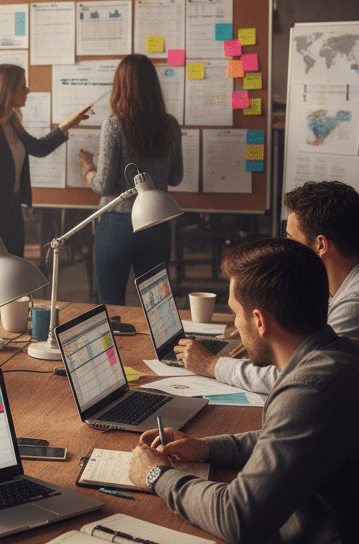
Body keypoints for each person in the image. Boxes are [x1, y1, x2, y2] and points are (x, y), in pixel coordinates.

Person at [129, 237, 359, 543]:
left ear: (260, 321)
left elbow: (236, 517)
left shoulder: (307, 392)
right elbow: (284, 441)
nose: (236, 327)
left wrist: (157, 475)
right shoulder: (341, 353)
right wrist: (206, 447)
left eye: (236, 312)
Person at [177, 180, 359, 393]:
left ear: (321, 245)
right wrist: (271, 338)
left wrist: (211, 365)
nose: (285, 245)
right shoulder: (339, 286)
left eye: (291, 239)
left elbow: (296, 377)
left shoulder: (352, 305)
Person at [77, 54, 183, 305]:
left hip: (117, 224)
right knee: (158, 306)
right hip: (157, 223)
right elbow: (176, 177)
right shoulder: (170, 125)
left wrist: (88, 170)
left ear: (120, 86)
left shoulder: (114, 126)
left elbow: (103, 184)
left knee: (111, 305)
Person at [0, 64, 90, 256]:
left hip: (12, 212)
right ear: (8, 91)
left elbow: (39, 148)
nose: (28, 90)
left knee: (14, 276)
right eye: (23, 85)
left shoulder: (12, 123)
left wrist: (69, 124)